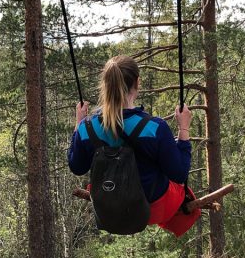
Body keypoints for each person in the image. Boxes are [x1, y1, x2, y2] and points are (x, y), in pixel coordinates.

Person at [67, 54, 201, 237]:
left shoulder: (86, 127)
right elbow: (179, 174)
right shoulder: (155, 128)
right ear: (137, 83)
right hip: (153, 208)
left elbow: (77, 166)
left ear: (105, 85)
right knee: (181, 189)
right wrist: (184, 129)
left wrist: (79, 124)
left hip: (108, 206)